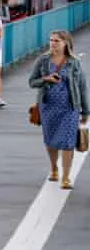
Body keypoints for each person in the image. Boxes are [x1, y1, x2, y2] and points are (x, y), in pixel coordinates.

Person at [29, 31, 89, 190]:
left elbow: (82, 87)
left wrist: (86, 111)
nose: (53, 43)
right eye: (51, 40)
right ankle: (54, 167)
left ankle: (66, 177)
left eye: (56, 41)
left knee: (68, 142)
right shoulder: (43, 61)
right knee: (51, 141)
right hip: (48, 106)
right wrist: (45, 79)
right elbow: (32, 82)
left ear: (65, 44)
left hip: (70, 107)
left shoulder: (74, 62)